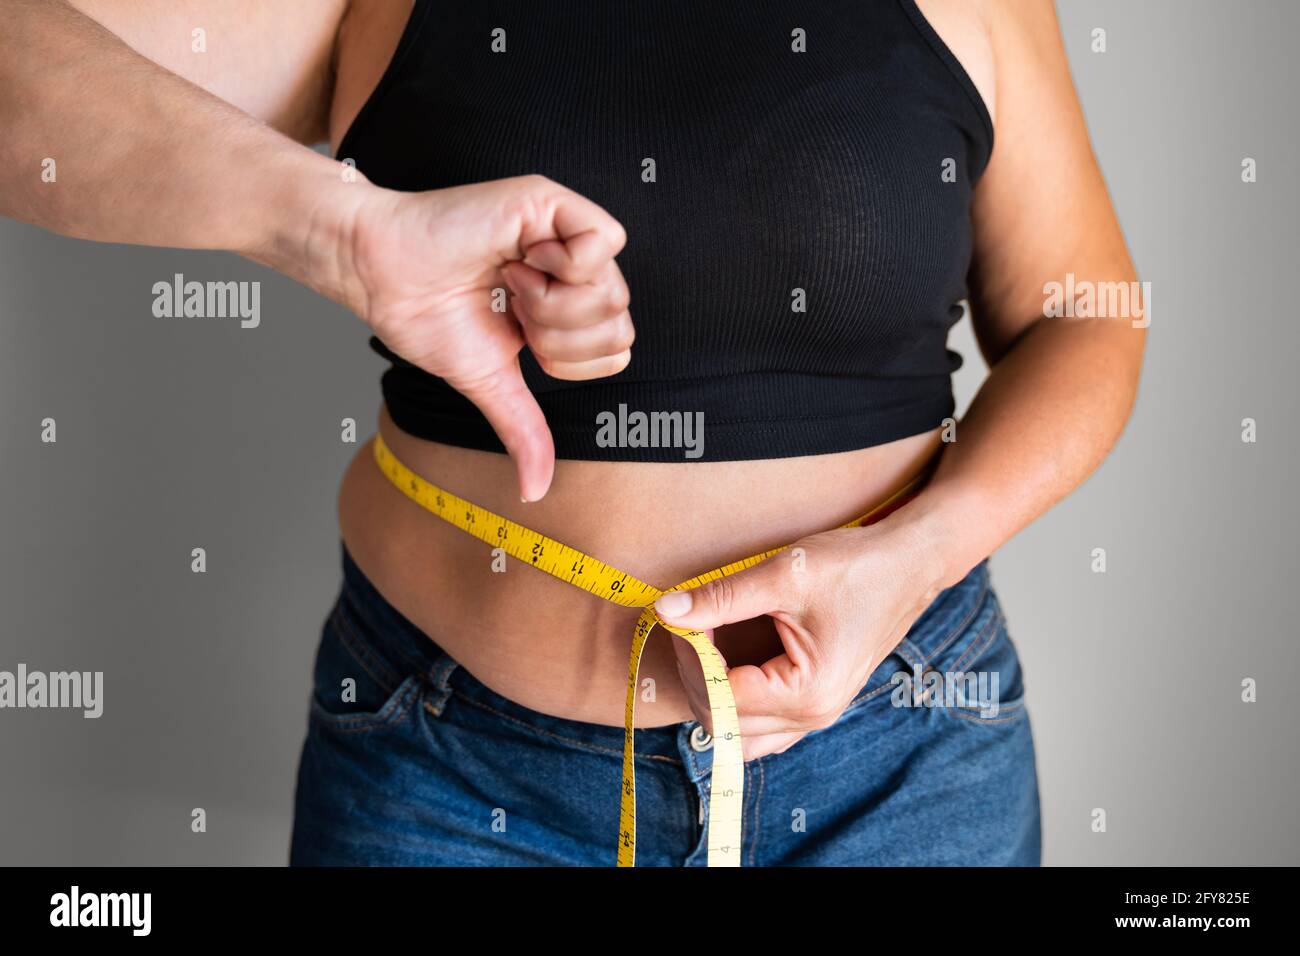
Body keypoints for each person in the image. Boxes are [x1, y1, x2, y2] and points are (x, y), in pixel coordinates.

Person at [0, 0, 1146, 865]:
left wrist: (916, 556)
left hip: (895, 760)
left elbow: (1085, 318)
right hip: (446, 775)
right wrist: (344, 232)